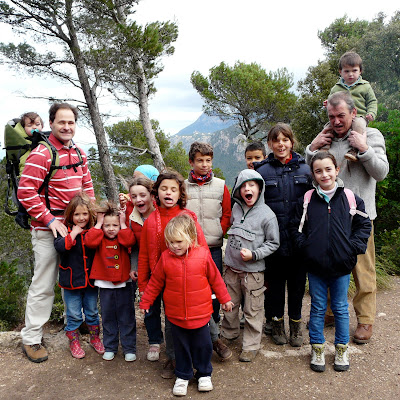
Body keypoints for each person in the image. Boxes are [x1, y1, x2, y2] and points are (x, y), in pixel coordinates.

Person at [306, 91, 389, 343]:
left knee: (363, 270)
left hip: (360, 217)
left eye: (341, 115)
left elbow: (381, 172)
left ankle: (365, 320)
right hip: (329, 216)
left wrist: (363, 149)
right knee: (328, 264)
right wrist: (312, 148)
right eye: (331, 116)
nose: (336, 121)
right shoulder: (327, 139)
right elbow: (313, 172)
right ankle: (329, 313)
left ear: (354, 113)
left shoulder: (371, 136)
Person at [17, 103, 94, 363]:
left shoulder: (79, 153)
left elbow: (87, 189)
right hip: (47, 230)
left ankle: (73, 323)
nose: (66, 127)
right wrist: (50, 221)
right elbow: (26, 192)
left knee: (74, 277)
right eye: (62, 122)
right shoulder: (42, 153)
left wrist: (90, 219)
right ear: (51, 123)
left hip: (75, 228)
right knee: (44, 283)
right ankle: (31, 338)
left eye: (71, 122)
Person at [291, 152, 371, 372]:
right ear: (313, 174)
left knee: (340, 308)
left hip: (341, 266)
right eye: (318, 171)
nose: (324, 174)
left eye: (328, 169)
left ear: (337, 170)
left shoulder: (351, 198)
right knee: (317, 307)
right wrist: (306, 249)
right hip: (315, 267)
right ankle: (317, 348)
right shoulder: (306, 200)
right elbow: (295, 229)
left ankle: (341, 349)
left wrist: (351, 249)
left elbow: (363, 226)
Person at [140, 214, 233, 396]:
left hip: (201, 314)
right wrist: (146, 301)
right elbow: (155, 282)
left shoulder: (203, 256)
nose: (175, 246)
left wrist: (225, 299)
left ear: (190, 237)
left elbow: (216, 280)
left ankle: (204, 374)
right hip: (176, 316)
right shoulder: (166, 258)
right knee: (180, 347)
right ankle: (182, 376)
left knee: (203, 346)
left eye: (179, 241)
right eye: (171, 242)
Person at [138, 169, 208, 378]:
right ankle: (174, 357)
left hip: (186, 280)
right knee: (171, 322)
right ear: (156, 193)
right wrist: (143, 285)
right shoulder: (151, 221)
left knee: (202, 317)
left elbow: (202, 249)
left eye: (173, 189)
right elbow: (143, 255)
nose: (168, 193)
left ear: (180, 194)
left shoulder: (188, 218)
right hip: (159, 279)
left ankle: (210, 346)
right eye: (164, 189)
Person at [254, 123, 312, 346]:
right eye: (276, 140)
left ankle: (296, 327)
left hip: (298, 242)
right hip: (273, 243)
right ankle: (276, 324)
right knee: (275, 288)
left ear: (292, 142)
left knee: (297, 288)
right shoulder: (262, 172)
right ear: (269, 143)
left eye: (285, 139)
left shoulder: (306, 170)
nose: (281, 144)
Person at [221, 169, 280, 362]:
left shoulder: (267, 215)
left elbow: (273, 243)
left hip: (253, 273)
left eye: (252, 185)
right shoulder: (236, 209)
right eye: (244, 186)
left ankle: (251, 344)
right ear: (238, 190)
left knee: (253, 309)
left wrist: (254, 254)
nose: (248, 189)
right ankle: (229, 333)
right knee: (230, 304)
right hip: (231, 269)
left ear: (260, 189)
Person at [184, 142, 232, 361]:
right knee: (193, 292)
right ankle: (197, 334)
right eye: (200, 160)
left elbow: (227, 214)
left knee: (213, 293)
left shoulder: (221, 185)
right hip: (189, 250)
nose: (204, 164)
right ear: (191, 162)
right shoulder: (183, 188)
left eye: (208, 160)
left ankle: (212, 334)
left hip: (212, 248)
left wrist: (218, 232)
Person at [54, 193, 104, 359]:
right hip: (71, 282)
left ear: (90, 214)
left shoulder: (92, 231)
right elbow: (61, 247)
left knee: (92, 311)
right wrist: (73, 234)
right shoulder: (63, 231)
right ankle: (74, 341)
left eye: (84, 214)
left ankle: (95, 337)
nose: (81, 218)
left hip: (90, 281)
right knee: (74, 314)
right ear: (70, 215)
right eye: (77, 214)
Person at [85, 203, 137, 362]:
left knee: (126, 317)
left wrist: (123, 224)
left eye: (114, 225)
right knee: (108, 317)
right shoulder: (99, 237)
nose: (111, 228)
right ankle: (110, 347)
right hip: (104, 284)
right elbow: (89, 242)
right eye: (107, 225)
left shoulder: (122, 236)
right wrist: (98, 224)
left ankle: (129, 348)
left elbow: (129, 241)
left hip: (124, 283)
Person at [119, 177, 157, 361]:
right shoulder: (133, 217)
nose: (138, 200)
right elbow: (134, 245)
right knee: (149, 305)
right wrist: (134, 266)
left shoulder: (160, 212)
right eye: (134, 196)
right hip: (144, 265)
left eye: (143, 195)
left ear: (151, 195)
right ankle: (154, 342)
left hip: (163, 265)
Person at [323, 52, 378, 162]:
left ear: (360, 71)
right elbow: (331, 103)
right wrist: (327, 103)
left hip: (359, 116)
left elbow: (372, 101)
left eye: (354, 71)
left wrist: (371, 113)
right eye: (347, 71)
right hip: (341, 117)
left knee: (358, 125)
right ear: (340, 72)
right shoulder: (336, 88)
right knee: (327, 127)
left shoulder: (365, 86)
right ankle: (324, 149)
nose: (351, 74)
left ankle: (354, 150)